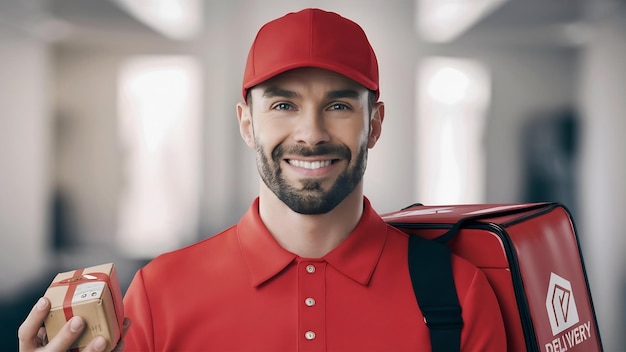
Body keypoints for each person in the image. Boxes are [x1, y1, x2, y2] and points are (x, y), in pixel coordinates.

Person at [18, 8, 506, 351]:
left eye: (338, 105)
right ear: (247, 123)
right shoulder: (157, 293)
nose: (311, 134)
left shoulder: (459, 292)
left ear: (374, 124)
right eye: (283, 105)